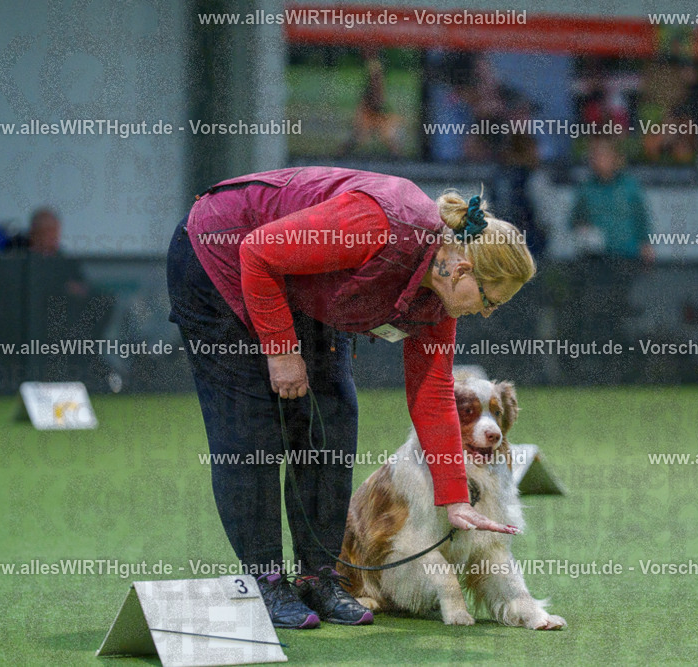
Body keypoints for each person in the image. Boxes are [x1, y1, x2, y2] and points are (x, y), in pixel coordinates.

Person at [166, 166, 536, 629]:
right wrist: (281, 350)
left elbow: (433, 391)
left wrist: (455, 498)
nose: (485, 313)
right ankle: (264, 581)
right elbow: (258, 254)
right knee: (252, 429)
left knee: (332, 419)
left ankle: (319, 577)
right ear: (462, 269)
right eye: (488, 300)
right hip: (221, 256)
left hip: (301, 284)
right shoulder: (383, 225)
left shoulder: (439, 298)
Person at [571, 136, 654, 263]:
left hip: (628, 257)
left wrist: (646, 245)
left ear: (615, 157)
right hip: (595, 260)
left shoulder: (630, 186)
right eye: (595, 155)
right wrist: (583, 230)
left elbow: (641, 218)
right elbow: (574, 220)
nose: (598, 159)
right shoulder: (586, 188)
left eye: (603, 155)